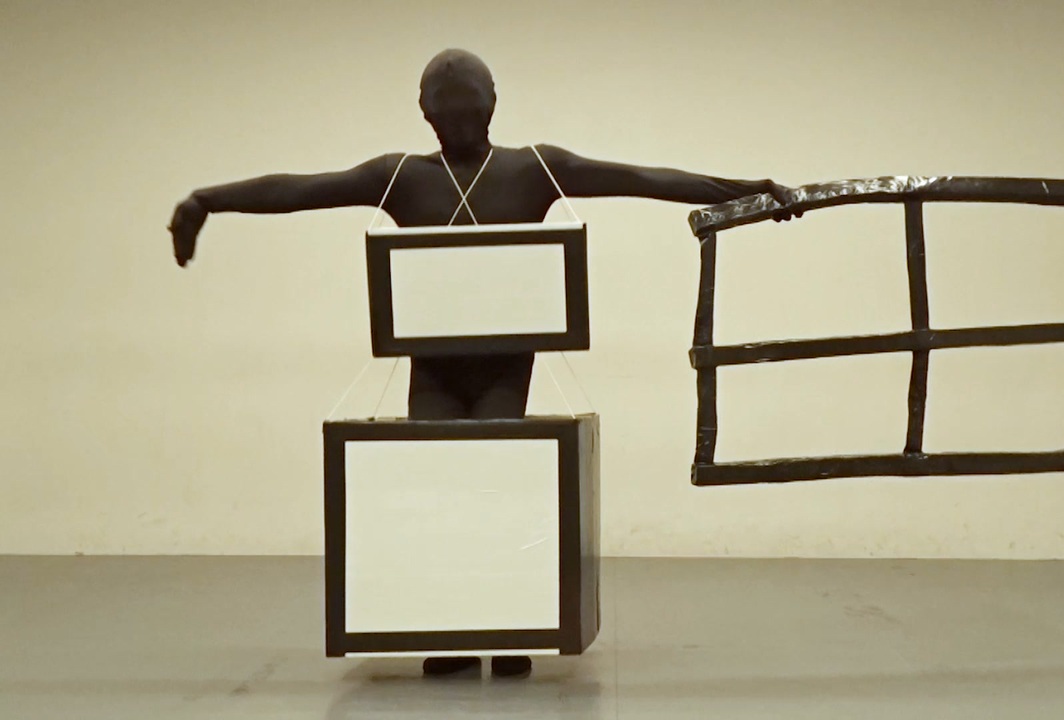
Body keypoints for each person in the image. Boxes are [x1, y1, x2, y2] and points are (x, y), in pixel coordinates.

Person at [168, 48, 797, 679]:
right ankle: (458, 630)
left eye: (467, 110)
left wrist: (751, 191)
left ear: (491, 106)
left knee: (499, 487)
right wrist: (207, 201)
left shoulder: (532, 169)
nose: (459, 123)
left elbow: (643, 179)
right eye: (448, 113)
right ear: (426, 114)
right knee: (443, 492)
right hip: (436, 368)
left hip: (501, 368)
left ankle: (509, 624)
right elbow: (299, 190)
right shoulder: (401, 177)